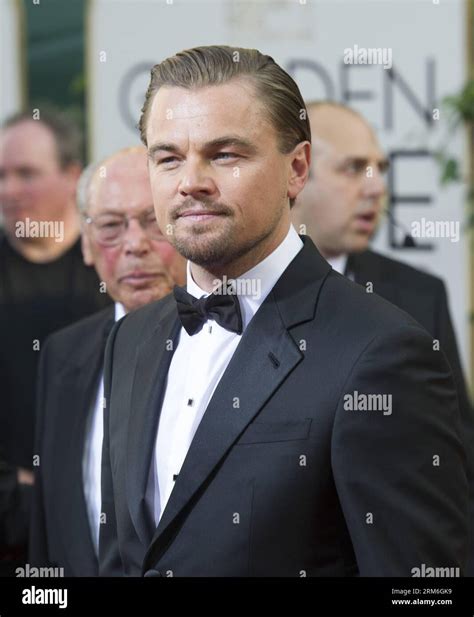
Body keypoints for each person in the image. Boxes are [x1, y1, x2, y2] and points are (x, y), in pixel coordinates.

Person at [99, 46, 468, 577]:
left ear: (296, 169)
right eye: (168, 157)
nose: (191, 181)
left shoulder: (380, 352)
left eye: (224, 154)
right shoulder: (130, 339)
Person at [291, 100, 474, 572]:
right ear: (297, 171)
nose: (376, 188)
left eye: (380, 169)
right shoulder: (234, 292)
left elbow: (455, 451)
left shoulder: (418, 295)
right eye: (353, 169)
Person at [29, 146, 185, 576]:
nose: (134, 245)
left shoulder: (230, 340)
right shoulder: (62, 354)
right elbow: (47, 530)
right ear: (86, 244)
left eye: (153, 221)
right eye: (111, 227)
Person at [0, 110, 112, 475]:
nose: (9, 190)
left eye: (26, 174)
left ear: (72, 176)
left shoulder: (116, 270)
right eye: (1, 176)